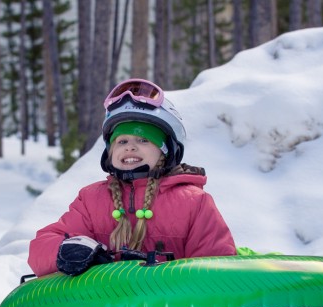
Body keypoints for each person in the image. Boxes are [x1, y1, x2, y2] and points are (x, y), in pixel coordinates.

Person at [28, 78, 237, 277]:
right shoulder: (92, 200)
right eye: (122, 141)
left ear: (166, 151)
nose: (130, 146)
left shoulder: (194, 203)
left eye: (143, 139)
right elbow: (40, 249)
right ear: (109, 152)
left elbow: (217, 272)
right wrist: (67, 252)